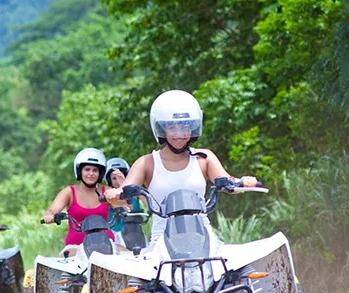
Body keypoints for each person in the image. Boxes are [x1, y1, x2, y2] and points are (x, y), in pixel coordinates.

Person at [103, 89, 258, 242]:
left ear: (193, 128)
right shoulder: (146, 163)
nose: (180, 133)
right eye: (172, 127)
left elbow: (228, 181)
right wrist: (115, 195)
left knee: (243, 266)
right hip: (162, 241)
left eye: (185, 127)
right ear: (162, 129)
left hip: (203, 237)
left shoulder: (204, 158)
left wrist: (243, 181)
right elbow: (125, 193)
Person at [42, 148, 115, 253]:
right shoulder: (69, 192)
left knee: (128, 257)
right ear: (80, 171)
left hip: (106, 244)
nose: (91, 173)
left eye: (95, 170)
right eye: (87, 169)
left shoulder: (106, 191)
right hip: (75, 247)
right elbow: (52, 210)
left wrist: (122, 189)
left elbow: (125, 207)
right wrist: (50, 216)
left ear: (101, 173)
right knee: (65, 262)